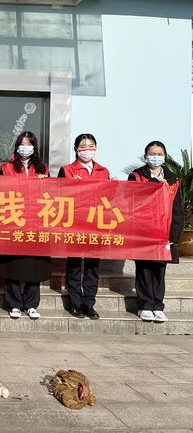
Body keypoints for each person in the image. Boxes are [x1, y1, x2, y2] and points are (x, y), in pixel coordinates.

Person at [58, 133, 115, 320]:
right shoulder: (66, 170)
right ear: (75, 149)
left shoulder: (103, 171)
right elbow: (58, 195)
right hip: (74, 223)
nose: (87, 150)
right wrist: (71, 186)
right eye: (83, 146)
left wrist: (114, 187)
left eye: (91, 146)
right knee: (74, 263)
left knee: (92, 265)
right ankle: (75, 301)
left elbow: (107, 198)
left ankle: (89, 302)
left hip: (95, 223)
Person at [128, 141, 184, 322]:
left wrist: (174, 236)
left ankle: (158, 305)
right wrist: (153, 185)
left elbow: (178, 209)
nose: (155, 157)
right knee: (144, 269)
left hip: (164, 233)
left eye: (159, 154)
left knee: (159, 270)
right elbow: (132, 200)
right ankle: (145, 305)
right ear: (145, 156)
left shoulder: (173, 180)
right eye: (152, 154)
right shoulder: (137, 176)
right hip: (143, 232)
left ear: (165, 156)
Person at [0, 131, 51, 319]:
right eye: (22, 143)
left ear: (35, 147)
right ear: (17, 146)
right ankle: (13, 303)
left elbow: (51, 195)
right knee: (12, 263)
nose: (25, 147)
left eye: (29, 144)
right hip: (13, 220)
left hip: (36, 222)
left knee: (34, 264)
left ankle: (31, 304)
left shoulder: (43, 169)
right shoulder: (6, 167)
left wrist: (45, 183)